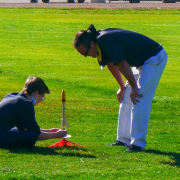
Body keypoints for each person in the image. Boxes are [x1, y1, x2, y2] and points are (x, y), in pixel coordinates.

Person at [73, 24, 167, 152]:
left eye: (85, 53)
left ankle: (138, 144)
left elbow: (122, 64)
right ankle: (123, 140)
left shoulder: (104, 40)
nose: (87, 56)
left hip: (154, 58)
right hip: (141, 62)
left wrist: (134, 87)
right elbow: (111, 63)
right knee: (126, 98)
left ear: (92, 43)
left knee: (138, 97)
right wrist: (122, 87)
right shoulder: (99, 44)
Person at [0, 76, 67, 149]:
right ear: (36, 93)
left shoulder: (12, 95)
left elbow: (25, 128)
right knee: (31, 135)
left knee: (26, 132)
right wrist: (57, 135)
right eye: (42, 96)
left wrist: (50, 131)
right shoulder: (25, 104)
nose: (41, 100)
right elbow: (36, 134)